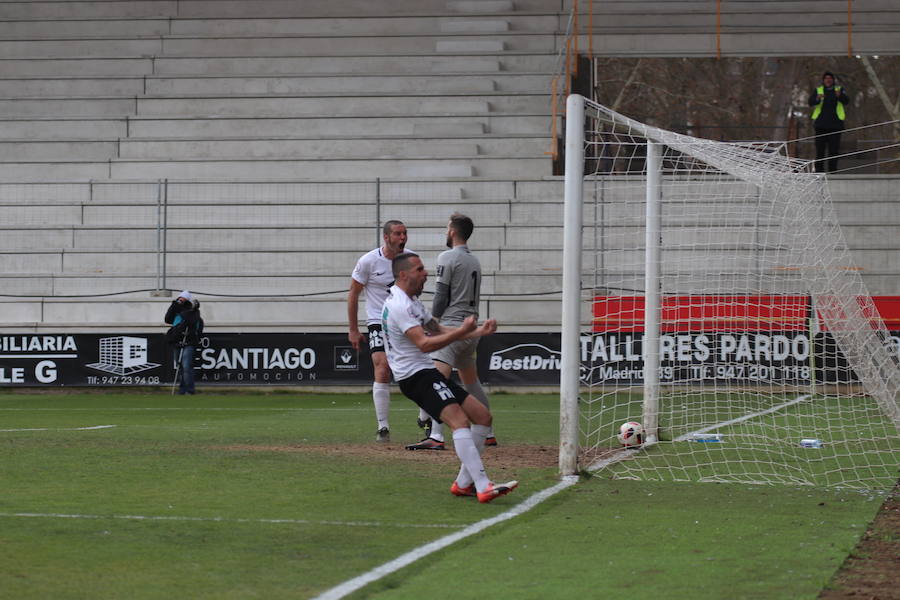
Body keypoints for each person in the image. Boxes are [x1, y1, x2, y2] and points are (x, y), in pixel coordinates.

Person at [382, 252, 517, 503]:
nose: (426, 273)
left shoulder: (411, 301)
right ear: (403, 275)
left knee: (482, 416)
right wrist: (462, 333)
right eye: (420, 269)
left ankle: (465, 484)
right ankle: (482, 484)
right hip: (415, 376)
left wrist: (476, 331)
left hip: (426, 372)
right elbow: (424, 344)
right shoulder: (400, 306)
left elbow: (437, 329)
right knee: (459, 422)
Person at [406, 213, 497, 451]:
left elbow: (441, 294)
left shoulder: (447, 257)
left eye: (447, 228)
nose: (446, 232)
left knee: (436, 380)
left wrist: (433, 323)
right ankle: (489, 432)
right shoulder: (474, 261)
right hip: (470, 326)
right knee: (471, 381)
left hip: (452, 326)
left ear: (453, 231)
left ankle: (436, 435)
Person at [347, 220, 411, 442]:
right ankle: (383, 426)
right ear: (386, 237)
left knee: (415, 369)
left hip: (403, 321)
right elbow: (353, 294)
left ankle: (425, 417)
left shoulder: (410, 259)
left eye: (404, 233)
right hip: (377, 321)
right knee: (382, 366)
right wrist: (353, 329)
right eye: (397, 234)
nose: (402, 238)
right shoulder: (368, 261)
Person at [808, 71, 849, 173]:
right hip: (820, 125)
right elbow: (810, 102)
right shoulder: (819, 90)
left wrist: (840, 96)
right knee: (820, 151)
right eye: (826, 78)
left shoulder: (839, 90)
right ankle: (819, 170)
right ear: (823, 80)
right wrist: (817, 98)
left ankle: (832, 171)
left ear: (833, 80)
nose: (828, 80)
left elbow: (846, 101)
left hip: (835, 126)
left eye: (830, 78)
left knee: (833, 151)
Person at [164, 290, 204, 395]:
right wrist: (174, 305)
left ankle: (189, 390)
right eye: (179, 299)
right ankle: (182, 389)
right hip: (177, 341)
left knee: (186, 366)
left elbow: (194, 324)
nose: (180, 301)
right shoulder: (175, 311)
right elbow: (167, 319)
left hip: (188, 341)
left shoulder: (193, 312)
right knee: (180, 366)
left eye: (183, 299)